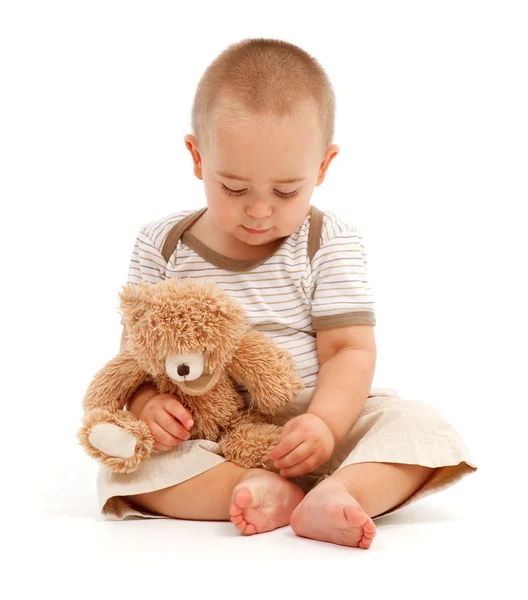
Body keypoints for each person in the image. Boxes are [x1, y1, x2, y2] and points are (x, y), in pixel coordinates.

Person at [96, 38, 476, 549]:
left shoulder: (328, 241)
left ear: (322, 167)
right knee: (124, 470)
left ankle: (340, 490)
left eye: (285, 191)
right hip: (207, 427)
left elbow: (348, 349)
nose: (258, 211)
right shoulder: (161, 244)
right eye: (234, 188)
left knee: (421, 428)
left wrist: (324, 422)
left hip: (310, 413)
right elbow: (135, 354)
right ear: (197, 156)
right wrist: (146, 406)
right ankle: (258, 488)